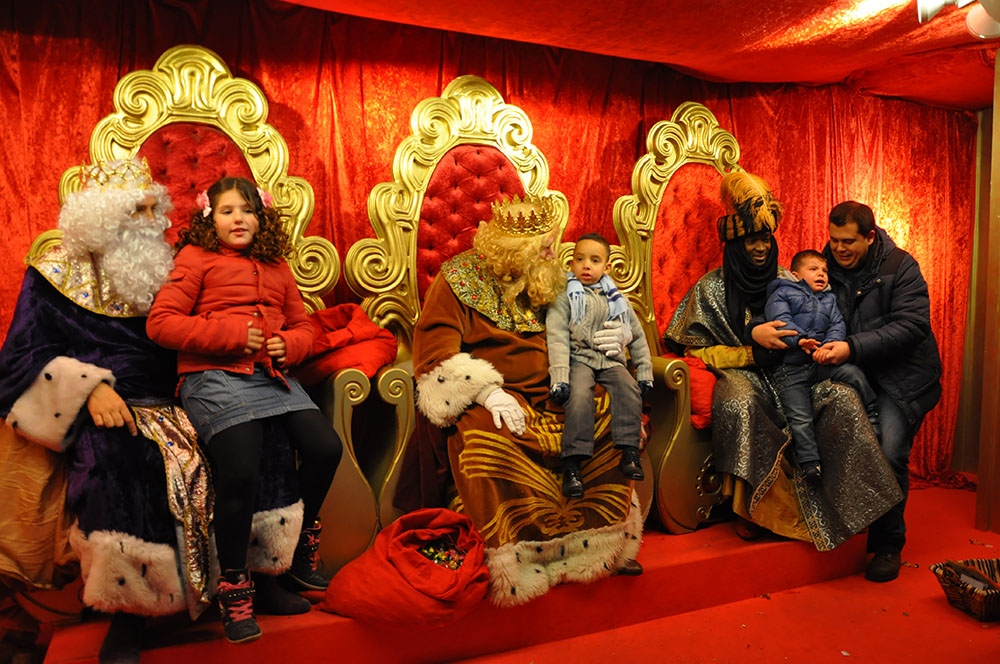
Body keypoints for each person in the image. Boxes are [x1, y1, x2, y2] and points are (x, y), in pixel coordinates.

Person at [0, 158, 216, 663]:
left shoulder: (175, 268)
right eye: (137, 211)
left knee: (249, 439)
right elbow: (18, 359)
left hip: (180, 397)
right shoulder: (55, 273)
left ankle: (247, 585)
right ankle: (128, 612)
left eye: (154, 209)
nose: (153, 221)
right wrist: (89, 388)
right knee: (118, 458)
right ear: (101, 218)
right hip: (102, 407)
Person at [410, 194, 643, 607]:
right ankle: (514, 559)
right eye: (546, 248)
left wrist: (617, 337)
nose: (556, 255)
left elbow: (592, 323)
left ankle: (600, 548)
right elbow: (434, 355)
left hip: (561, 386)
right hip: (499, 397)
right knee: (483, 431)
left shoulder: (554, 278)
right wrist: (487, 391)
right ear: (515, 252)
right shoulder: (456, 280)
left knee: (611, 407)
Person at [146, 177, 343, 643]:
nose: (238, 219)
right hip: (211, 377)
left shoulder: (277, 265)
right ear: (209, 219)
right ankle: (234, 585)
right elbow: (161, 324)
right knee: (241, 468)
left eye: (248, 210)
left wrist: (289, 344)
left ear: (261, 217)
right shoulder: (194, 258)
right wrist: (233, 336)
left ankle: (300, 548)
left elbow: (305, 327)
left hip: (269, 377)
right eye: (227, 211)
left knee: (325, 447)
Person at [664, 171, 901, 551]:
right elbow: (692, 351)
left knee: (842, 397)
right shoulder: (710, 288)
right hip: (740, 373)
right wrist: (751, 350)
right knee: (741, 402)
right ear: (735, 244)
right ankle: (755, 511)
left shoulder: (792, 279)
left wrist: (821, 346)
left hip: (796, 369)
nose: (760, 248)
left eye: (766, 238)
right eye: (751, 240)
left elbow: (822, 320)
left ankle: (854, 508)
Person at [816, 201, 941, 583]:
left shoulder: (901, 266)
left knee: (888, 452)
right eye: (834, 240)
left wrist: (851, 347)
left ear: (870, 237)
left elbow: (913, 325)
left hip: (902, 379)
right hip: (856, 373)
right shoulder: (822, 266)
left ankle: (887, 546)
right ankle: (846, 529)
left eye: (848, 241)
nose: (839, 248)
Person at [546, 233, 653, 498]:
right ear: (571, 263)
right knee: (579, 394)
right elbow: (557, 337)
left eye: (594, 261)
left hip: (610, 359)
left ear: (607, 267)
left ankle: (629, 451)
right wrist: (560, 377)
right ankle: (573, 464)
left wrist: (644, 372)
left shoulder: (617, 299)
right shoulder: (565, 297)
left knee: (628, 388)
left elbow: (637, 336)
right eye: (579, 259)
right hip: (580, 358)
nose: (586, 266)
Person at [763, 249, 881, 485]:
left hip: (819, 361)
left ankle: (873, 414)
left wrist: (829, 346)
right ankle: (810, 463)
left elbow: (837, 324)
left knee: (853, 373)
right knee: (800, 416)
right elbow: (780, 320)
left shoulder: (829, 299)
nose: (821, 274)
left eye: (825, 271)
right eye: (813, 269)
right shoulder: (782, 292)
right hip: (791, 368)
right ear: (796, 275)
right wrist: (800, 339)